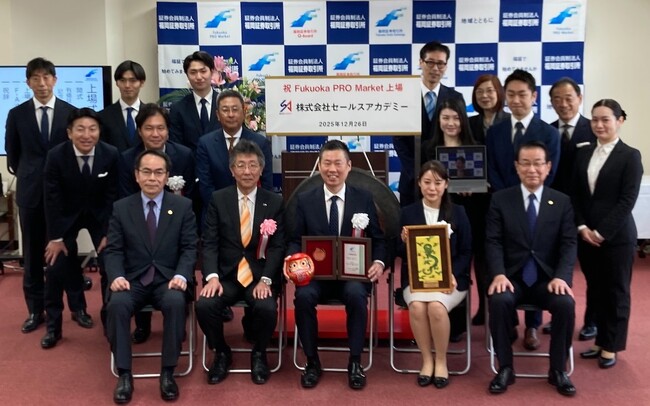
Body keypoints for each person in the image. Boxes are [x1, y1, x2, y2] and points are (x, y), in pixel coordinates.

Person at [287, 140, 388, 390]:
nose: (332, 169)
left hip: (352, 276)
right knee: (303, 297)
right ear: (319, 166)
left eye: (338, 163)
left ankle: (355, 361)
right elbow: (295, 239)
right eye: (327, 163)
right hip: (316, 277)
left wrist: (378, 262)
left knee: (356, 294)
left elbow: (379, 239)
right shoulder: (305, 199)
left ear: (349, 166)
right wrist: (291, 261)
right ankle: (312, 361)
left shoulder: (364, 198)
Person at [105, 149, 197, 403]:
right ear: (136, 175)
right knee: (117, 304)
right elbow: (113, 250)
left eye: (158, 172)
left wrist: (182, 275)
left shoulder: (182, 206)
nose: (152, 178)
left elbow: (190, 248)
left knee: (175, 302)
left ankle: (167, 372)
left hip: (168, 279)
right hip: (132, 279)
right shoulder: (122, 208)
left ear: (167, 176)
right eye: (146, 172)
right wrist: (116, 276)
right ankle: (124, 374)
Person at [486, 141, 577, 397]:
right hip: (512, 278)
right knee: (499, 300)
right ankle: (505, 367)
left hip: (547, 280)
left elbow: (569, 243)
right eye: (525, 163)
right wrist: (499, 273)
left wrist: (562, 277)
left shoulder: (562, 202)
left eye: (538, 163)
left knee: (565, 304)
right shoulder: (501, 200)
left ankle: (558, 369)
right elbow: (493, 241)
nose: (532, 169)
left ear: (548, 167)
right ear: (516, 167)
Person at [196, 140, 285, 385]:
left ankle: (259, 353)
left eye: (253, 165)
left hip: (259, 276)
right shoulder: (218, 199)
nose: (247, 171)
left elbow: (277, 246)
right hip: (227, 276)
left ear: (261, 169)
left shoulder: (274, 202)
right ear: (232, 170)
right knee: (204, 305)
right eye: (241, 165)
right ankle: (221, 351)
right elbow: (210, 242)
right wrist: (211, 277)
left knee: (267, 307)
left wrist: (266, 279)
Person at [486, 69, 561, 349]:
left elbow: (549, 172)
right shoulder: (495, 131)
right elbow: (492, 168)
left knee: (534, 261)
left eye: (522, 94)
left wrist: (526, 195)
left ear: (534, 96)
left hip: (536, 209)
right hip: (503, 208)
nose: (516, 100)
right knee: (507, 260)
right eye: (511, 95)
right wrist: (508, 198)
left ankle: (532, 325)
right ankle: (509, 322)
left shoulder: (549, 133)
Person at [5, 57, 79, 334]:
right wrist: (31, 174)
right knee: (33, 255)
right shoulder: (17, 114)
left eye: (46, 77)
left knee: (67, 254)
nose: (42, 83)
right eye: (36, 78)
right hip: (31, 194)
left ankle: (78, 308)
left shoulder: (70, 112)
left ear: (55, 80)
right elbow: (13, 154)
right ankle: (36, 310)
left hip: (63, 195)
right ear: (28, 83)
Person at [573, 99, 643, 369]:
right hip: (586, 237)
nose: (599, 125)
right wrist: (582, 227)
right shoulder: (583, 152)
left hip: (617, 238)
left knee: (616, 291)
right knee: (597, 290)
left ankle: (611, 345)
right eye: (595, 119)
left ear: (619, 121)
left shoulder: (630, 156)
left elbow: (627, 200)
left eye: (606, 119)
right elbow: (577, 195)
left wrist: (601, 232)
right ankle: (600, 341)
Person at [118, 103, 195, 344]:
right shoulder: (127, 159)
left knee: (181, 257)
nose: (155, 133)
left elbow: (192, 194)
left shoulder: (184, 155)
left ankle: (177, 321)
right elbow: (124, 197)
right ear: (139, 131)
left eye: (160, 128)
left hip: (175, 226)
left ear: (168, 131)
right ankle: (142, 324)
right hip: (138, 226)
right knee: (139, 258)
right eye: (149, 128)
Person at [42, 108, 119, 348]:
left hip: (100, 217)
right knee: (56, 266)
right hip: (65, 217)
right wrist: (56, 237)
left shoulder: (111, 154)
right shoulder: (56, 156)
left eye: (92, 129)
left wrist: (109, 232)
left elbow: (113, 196)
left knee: (110, 262)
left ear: (99, 131)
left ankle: (110, 322)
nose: (87, 135)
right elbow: (51, 198)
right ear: (69, 133)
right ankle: (54, 327)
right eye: (80, 129)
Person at [398, 161, 472, 388]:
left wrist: (452, 274)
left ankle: (441, 361)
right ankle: (426, 360)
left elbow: (466, 251)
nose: (432, 188)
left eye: (438, 183)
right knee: (418, 307)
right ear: (419, 184)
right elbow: (396, 252)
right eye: (427, 182)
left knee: (437, 308)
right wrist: (402, 241)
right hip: (416, 280)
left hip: (452, 280)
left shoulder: (458, 212)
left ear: (446, 184)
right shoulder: (407, 213)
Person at [423, 99, 487, 338]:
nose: (451, 123)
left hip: (471, 212)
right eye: (445, 118)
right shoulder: (429, 149)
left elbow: (485, 184)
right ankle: (441, 319)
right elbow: (423, 181)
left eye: (456, 118)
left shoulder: (475, 147)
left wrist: (476, 186)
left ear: (463, 120)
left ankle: (465, 319)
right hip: (438, 212)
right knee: (441, 262)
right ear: (438, 120)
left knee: (466, 264)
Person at [543, 77, 597, 339]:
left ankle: (592, 321)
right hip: (554, 211)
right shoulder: (548, 131)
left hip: (586, 213)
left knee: (592, 271)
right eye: (557, 99)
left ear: (579, 98)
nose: (563, 104)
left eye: (568, 98)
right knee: (557, 267)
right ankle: (559, 317)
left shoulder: (593, 129)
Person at [393, 41, 465, 207]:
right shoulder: (404, 96)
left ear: (446, 66)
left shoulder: (455, 97)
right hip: (412, 182)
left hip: (445, 183)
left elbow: (460, 139)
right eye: (430, 62)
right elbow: (399, 140)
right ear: (421, 62)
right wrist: (417, 174)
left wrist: (449, 175)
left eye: (440, 64)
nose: (435, 68)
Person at [196, 89, 273, 208]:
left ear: (244, 112)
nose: (231, 114)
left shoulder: (260, 143)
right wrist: (224, 211)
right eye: (225, 110)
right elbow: (205, 185)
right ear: (218, 115)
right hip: (216, 211)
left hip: (252, 209)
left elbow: (267, 184)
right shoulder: (206, 143)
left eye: (235, 109)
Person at [169, 50, 221, 152]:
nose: (198, 77)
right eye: (193, 72)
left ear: (212, 72)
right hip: (190, 161)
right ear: (187, 75)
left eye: (203, 71)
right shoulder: (178, 109)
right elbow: (176, 146)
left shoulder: (225, 104)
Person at [98, 60, 146, 152]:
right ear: (117, 83)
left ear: (142, 83)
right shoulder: (103, 116)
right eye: (122, 80)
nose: (127, 85)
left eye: (133, 80)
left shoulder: (150, 114)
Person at [468, 74, 510, 145]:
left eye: (489, 91)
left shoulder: (510, 121)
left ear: (499, 93)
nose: (484, 95)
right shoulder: (469, 123)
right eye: (480, 91)